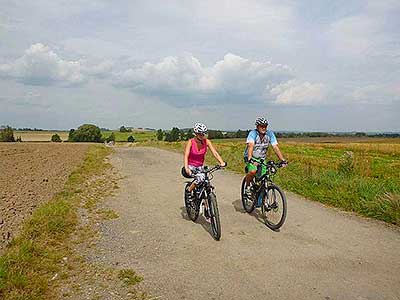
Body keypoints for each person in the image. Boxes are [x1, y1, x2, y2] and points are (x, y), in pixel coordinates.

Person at [243, 117, 287, 197]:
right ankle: (248, 187)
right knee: (253, 171)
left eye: (265, 126)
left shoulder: (270, 134)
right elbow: (250, 146)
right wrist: (250, 159)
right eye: (261, 126)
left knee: (263, 177)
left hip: (262, 158)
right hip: (251, 157)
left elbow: (275, 147)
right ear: (257, 127)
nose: (263, 128)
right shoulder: (253, 134)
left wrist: (282, 160)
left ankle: (259, 198)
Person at [184, 123, 226, 199]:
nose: (203, 136)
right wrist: (187, 168)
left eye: (204, 134)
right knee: (200, 178)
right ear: (196, 134)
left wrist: (221, 162)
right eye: (201, 134)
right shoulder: (191, 142)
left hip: (200, 166)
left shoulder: (206, 141)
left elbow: (215, 153)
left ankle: (207, 202)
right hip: (191, 166)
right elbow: (186, 155)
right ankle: (189, 191)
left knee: (206, 178)